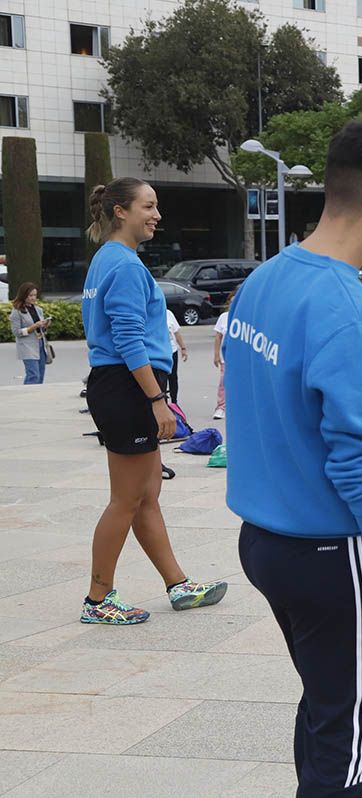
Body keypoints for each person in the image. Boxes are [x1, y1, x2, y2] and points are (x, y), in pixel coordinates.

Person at [223, 122, 362, 797]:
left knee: (325, 706)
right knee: (345, 744)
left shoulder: (266, 280)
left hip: (264, 541)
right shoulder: (352, 313)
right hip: (329, 554)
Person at [80, 176, 228, 625]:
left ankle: (178, 585)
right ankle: (97, 599)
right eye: (148, 206)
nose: (157, 215)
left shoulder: (108, 258)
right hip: (127, 388)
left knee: (146, 497)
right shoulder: (123, 264)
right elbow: (127, 338)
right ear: (120, 211)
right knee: (125, 500)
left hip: (119, 386)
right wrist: (158, 399)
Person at [9, 282, 51, 384]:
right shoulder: (17, 311)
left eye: (35, 295)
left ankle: (36, 396)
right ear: (23, 295)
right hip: (27, 346)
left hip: (40, 344)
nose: (33, 298)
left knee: (40, 375)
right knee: (33, 375)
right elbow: (16, 332)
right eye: (30, 295)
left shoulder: (38, 309)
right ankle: (26, 396)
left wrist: (45, 325)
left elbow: (41, 329)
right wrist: (32, 327)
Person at [211, 293, 233, 420]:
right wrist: (216, 355)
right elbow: (218, 336)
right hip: (226, 358)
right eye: (231, 301)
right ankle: (221, 407)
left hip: (241, 358)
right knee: (223, 383)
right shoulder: (223, 317)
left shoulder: (244, 316)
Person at [165, 309, 186, 403]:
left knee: (173, 377)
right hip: (159, 352)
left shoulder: (168, 313)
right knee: (161, 378)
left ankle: (174, 402)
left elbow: (176, 332)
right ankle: (163, 402)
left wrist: (183, 348)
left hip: (172, 350)